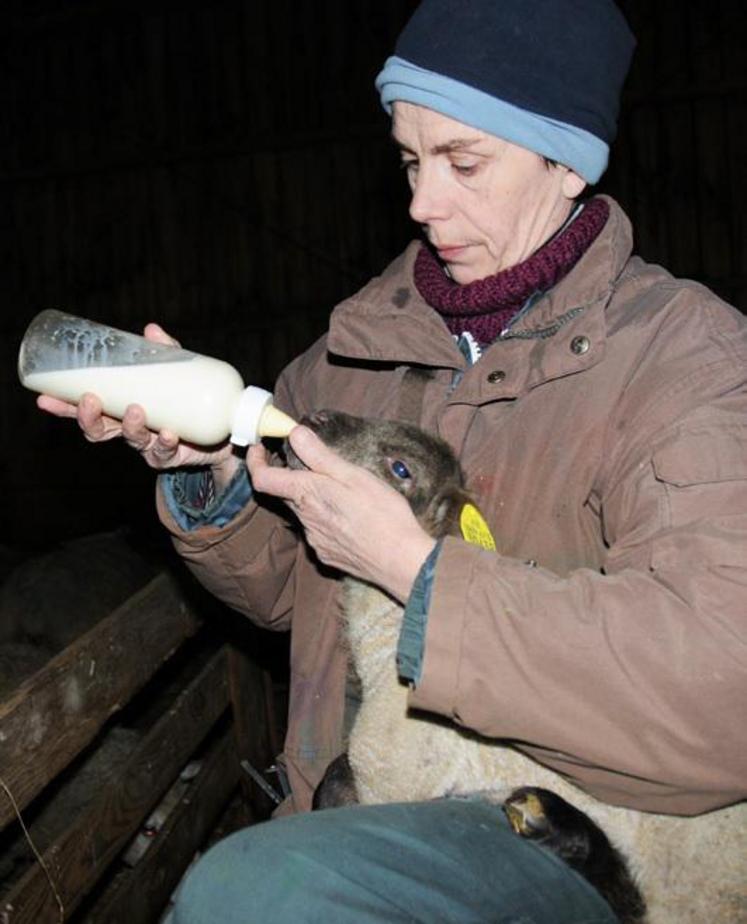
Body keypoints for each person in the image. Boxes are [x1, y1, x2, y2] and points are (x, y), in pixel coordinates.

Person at [39, 0, 747, 920]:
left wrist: (417, 574)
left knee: (256, 895)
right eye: (411, 160)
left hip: (577, 835)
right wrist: (207, 473)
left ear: (565, 161)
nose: (420, 202)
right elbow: (294, 597)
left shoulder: (685, 361)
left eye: (463, 162)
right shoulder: (357, 351)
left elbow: (720, 682)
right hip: (359, 790)